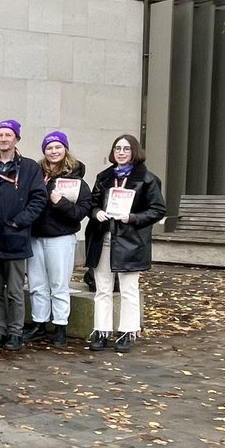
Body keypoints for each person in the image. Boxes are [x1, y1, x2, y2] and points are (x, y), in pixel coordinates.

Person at [85, 134, 166, 353]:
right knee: (102, 288)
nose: (121, 153)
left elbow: (158, 210)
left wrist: (132, 218)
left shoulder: (148, 179)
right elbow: (91, 204)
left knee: (129, 290)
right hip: (103, 238)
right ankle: (101, 331)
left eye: (126, 149)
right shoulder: (103, 177)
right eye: (117, 149)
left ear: (135, 152)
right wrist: (97, 212)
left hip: (130, 241)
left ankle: (127, 332)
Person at [0, 120, 47, 352]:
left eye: (8, 134)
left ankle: (15, 332)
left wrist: (21, 220)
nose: (4, 138)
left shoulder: (29, 168)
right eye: (0, 134)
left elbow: (39, 198)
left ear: (16, 139)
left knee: (16, 291)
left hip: (16, 237)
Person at [24, 131, 91, 346]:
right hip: (36, 236)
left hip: (60, 238)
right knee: (36, 284)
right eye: (49, 147)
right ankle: (39, 322)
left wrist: (59, 202)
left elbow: (80, 212)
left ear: (65, 149)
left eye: (57, 147)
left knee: (58, 283)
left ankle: (61, 325)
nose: (53, 151)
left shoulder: (76, 181)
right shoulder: (36, 175)